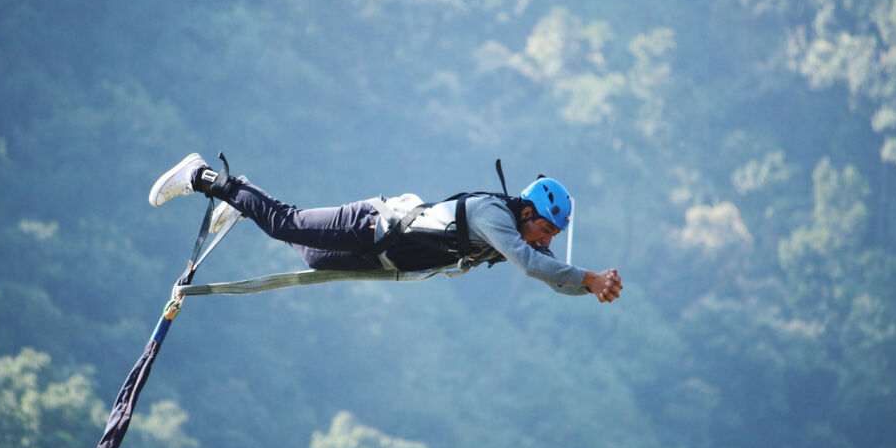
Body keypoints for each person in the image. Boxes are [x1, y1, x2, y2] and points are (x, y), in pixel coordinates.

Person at [148, 153, 623, 304]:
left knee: (310, 258)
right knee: (285, 224)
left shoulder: (517, 235)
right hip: (371, 225)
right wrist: (589, 278)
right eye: (547, 230)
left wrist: (590, 287)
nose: (547, 240)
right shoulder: (495, 217)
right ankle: (206, 177)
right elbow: (533, 265)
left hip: (382, 256)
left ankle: (243, 201)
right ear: (528, 213)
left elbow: (550, 272)